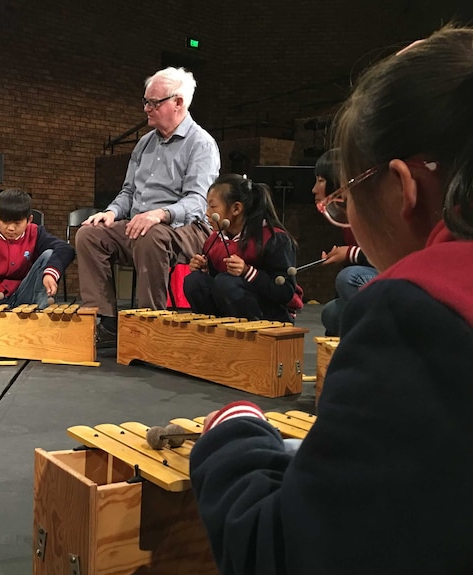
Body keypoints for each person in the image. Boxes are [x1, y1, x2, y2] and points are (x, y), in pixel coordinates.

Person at [190, 26, 473, 575]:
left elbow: (291, 554)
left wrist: (236, 432)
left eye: (344, 202)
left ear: (401, 188)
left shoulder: (418, 314)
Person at [76, 66, 220, 347]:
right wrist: (111, 213)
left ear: (178, 103)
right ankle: (108, 323)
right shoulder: (144, 144)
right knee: (88, 235)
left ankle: (150, 324)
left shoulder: (201, 144)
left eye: (154, 103)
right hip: (142, 225)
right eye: (146, 102)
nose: (147, 109)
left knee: (149, 234)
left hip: (186, 227)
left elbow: (197, 200)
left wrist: (160, 214)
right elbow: (128, 192)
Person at [183, 174, 302, 322]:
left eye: (213, 206)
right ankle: (214, 334)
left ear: (236, 208)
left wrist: (247, 271)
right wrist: (204, 268)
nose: (207, 213)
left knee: (226, 282)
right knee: (194, 281)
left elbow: (285, 292)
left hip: (271, 316)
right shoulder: (214, 241)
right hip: (230, 309)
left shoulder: (274, 239)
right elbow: (213, 283)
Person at [0, 188, 74, 308]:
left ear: (29, 220)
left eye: (17, 223)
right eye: (5, 221)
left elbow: (66, 249)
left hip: (24, 296)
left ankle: (41, 313)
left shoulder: (35, 233)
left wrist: (50, 273)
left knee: (49, 254)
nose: (11, 228)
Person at [312, 148, 377, 335]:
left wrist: (349, 253)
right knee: (331, 313)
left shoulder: (373, 212)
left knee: (349, 278)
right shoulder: (347, 220)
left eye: (321, 180)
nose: (314, 189)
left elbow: (392, 258)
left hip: (398, 282)